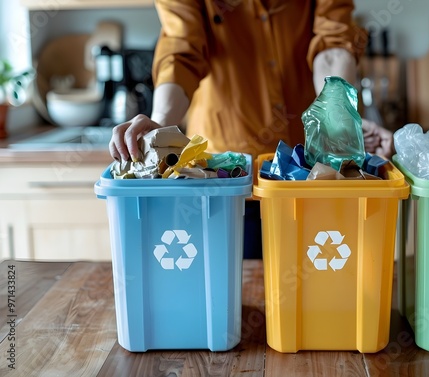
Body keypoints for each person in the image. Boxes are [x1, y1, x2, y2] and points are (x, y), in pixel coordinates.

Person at [108, 0, 394, 257]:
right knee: (228, 279)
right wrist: (160, 124)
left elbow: (333, 43)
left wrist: (339, 115)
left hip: (307, 171)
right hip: (220, 173)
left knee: (314, 279)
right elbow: (181, 52)